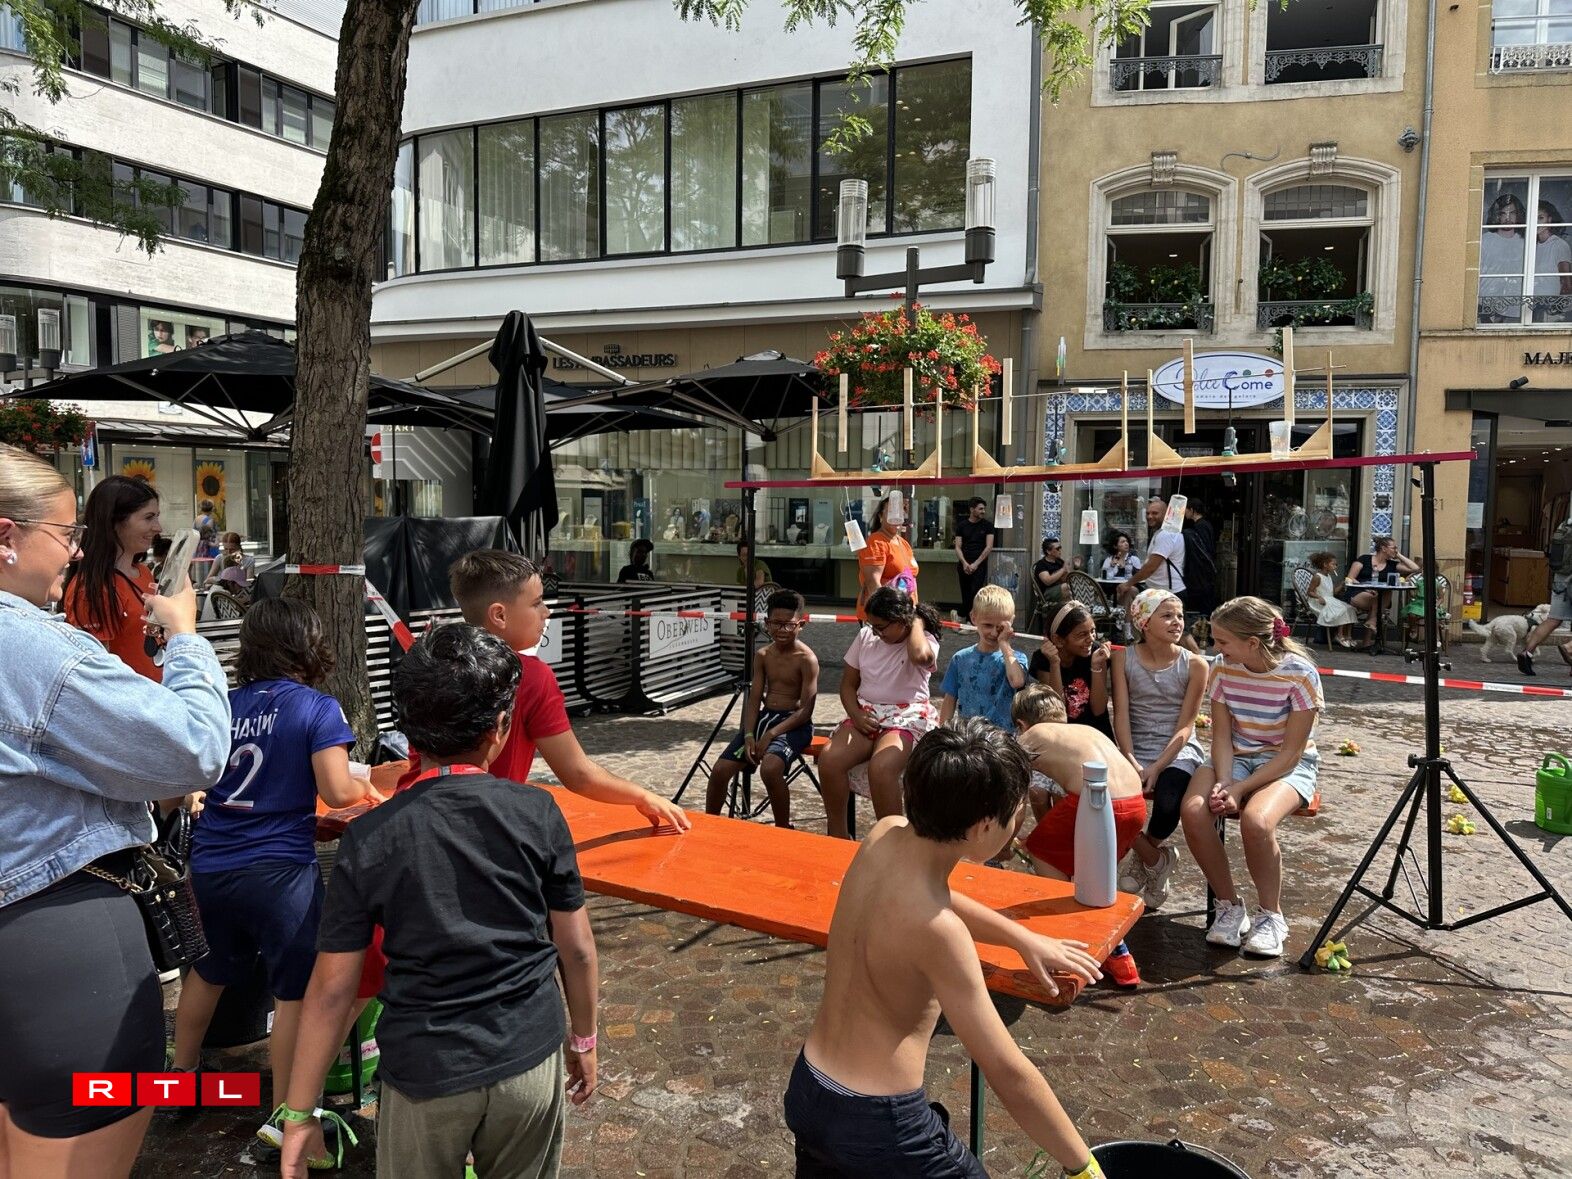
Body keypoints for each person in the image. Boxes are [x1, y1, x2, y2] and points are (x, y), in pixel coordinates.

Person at [280, 624, 601, 1179]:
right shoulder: (538, 812)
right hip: (528, 1054)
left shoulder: (371, 836)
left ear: (408, 733)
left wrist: (298, 1113)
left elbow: (332, 990)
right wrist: (584, 1038)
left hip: (425, 1070)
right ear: (501, 728)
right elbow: (576, 949)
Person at [0, 443, 229, 1179]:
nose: (73, 551)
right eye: (64, 534)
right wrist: (188, 639)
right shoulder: (30, 644)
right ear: (6, 536)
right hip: (57, 941)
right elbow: (193, 747)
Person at [783, 719, 1105, 1179]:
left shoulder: (884, 835)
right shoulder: (941, 935)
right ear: (984, 825)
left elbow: (934, 896)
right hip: (879, 1124)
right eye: (1016, 813)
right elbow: (1007, 1071)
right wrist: (1084, 1166)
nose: (1018, 824)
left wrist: (1021, 937)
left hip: (810, 1090)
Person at [171, 600, 370, 1154]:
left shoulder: (224, 705)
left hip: (211, 865)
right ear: (308, 644)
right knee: (294, 993)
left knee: (207, 973)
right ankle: (285, 1115)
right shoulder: (317, 707)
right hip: (282, 875)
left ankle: (180, 1078)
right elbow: (338, 790)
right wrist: (366, 788)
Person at [1181, 596, 1322, 958]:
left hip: (1285, 763)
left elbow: (1291, 754)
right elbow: (1221, 737)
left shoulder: (1301, 674)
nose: (1216, 648)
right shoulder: (1222, 668)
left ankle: (1271, 915)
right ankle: (1229, 907)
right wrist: (1225, 780)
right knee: (1194, 811)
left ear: (1253, 643)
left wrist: (1241, 787)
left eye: (1222, 641)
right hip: (1234, 757)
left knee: (1256, 822)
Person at [1013, 684, 1146, 988]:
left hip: (1097, 800)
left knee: (1041, 851)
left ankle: (1064, 936)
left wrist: (1007, 838)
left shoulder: (1031, 736)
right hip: (1135, 805)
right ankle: (1120, 955)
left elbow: (1013, 794)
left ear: (1021, 724)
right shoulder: (1085, 731)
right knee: (1095, 881)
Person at [1112, 589, 1208, 910]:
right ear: (1144, 622)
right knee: (1110, 800)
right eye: (1166, 615)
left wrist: (1156, 766)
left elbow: (1186, 725)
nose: (1177, 622)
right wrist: (1130, 758)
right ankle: (1157, 859)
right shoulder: (1123, 658)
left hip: (1177, 749)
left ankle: (1145, 858)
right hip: (1134, 745)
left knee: (1168, 803)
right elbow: (1121, 715)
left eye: (1180, 615)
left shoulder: (1195, 665)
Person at [818, 587, 940, 839]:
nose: (876, 632)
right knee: (829, 760)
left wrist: (917, 622)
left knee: (882, 768)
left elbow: (920, 656)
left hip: (907, 717)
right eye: (871, 625)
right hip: (867, 712)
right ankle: (838, 835)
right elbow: (847, 685)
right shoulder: (866, 636)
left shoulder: (923, 639)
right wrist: (855, 714)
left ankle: (892, 842)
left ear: (902, 621)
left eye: (881, 627)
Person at [706, 589, 819, 827]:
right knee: (720, 771)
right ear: (766, 623)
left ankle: (783, 828)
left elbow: (805, 711)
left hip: (793, 725)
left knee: (770, 769)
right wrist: (749, 734)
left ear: (801, 625)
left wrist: (771, 735)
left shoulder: (806, 659)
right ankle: (710, 824)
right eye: (776, 624)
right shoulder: (763, 655)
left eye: (789, 625)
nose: (782, 630)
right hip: (764, 720)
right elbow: (754, 698)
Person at [63, 474, 165, 681]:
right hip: (130, 698)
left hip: (158, 691)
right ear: (114, 521)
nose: (158, 527)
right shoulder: (93, 589)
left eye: (157, 517)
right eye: (148, 517)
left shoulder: (144, 572)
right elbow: (98, 673)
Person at [938, 584, 1027, 731]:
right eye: (988, 625)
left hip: (1003, 738)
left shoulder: (1016, 659)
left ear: (1011, 622)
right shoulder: (960, 659)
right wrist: (943, 732)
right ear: (973, 618)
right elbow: (949, 699)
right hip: (970, 736)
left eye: (1000, 627)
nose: (994, 633)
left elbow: (1017, 681)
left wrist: (1004, 644)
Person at [1029, 602, 1113, 738]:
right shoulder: (1044, 659)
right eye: (1082, 634)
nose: (1091, 639)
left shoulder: (1096, 653)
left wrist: (1096, 667)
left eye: (1093, 631)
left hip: (1096, 735)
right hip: (1064, 736)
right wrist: (1054, 663)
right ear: (1058, 640)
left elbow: (1099, 710)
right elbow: (1056, 712)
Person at [1118, 500, 1191, 649]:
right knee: (1154, 629)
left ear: (1166, 514)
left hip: (1170, 592)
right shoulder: (1161, 533)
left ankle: (1198, 659)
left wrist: (1128, 583)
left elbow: (1151, 567)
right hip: (1158, 592)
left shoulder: (1167, 535)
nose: (1150, 516)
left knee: (1179, 633)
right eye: (1148, 513)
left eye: (1155, 513)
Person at [855, 496, 919, 620]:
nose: (896, 516)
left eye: (900, 511)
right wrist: (887, 615)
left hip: (904, 613)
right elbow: (873, 583)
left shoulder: (903, 543)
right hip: (884, 616)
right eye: (891, 511)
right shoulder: (876, 542)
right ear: (880, 516)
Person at [1339, 535, 1418, 621]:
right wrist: (1366, 589)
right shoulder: (1364, 559)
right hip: (1359, 592)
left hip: (1380, 594)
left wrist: (1398, 555)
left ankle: (1371, 622)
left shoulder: (1392, 565)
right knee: (1378, 599)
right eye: (1394, 548)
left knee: (1385, 593)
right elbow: (1351, 577)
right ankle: (1372, 621)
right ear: (1384, 549)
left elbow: (1415, 568)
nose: (1396, 550)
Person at [1306, 552, 1360, 648]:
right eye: (1333, 564)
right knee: (1342, 609)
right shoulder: (1317, 577)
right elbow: (1309, 592)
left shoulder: (1328, 576)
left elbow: (1333, 592)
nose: (1335, 566)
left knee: (1350, 608)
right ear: (1325, 564)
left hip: (1329, 600)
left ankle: (1348, 636)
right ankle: (1339, 635)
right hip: (1319, 602)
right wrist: (1319, 597)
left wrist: (1342, 584)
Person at [953, 496, 995, 618]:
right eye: (980, 509)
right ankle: (966, 617)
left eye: (984, 509)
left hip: (979, 565)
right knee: (965, 593)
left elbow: (989, 547)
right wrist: (964, 563)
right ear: (972, 509)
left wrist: (976, 564)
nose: (983, 511)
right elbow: (958, 546)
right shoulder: (962, 526)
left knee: (975, 592)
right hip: (964, 564)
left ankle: (964, 617)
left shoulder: (988, 526)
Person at [1533, 200, 1572, 321]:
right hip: (1532, 306)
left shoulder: (1559, 245)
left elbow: (1566, 283)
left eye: (1540, 218)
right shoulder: (1531, 246)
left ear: (1549, 219)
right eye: (1534, 217)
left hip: (1550, 309)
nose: (1536, 222)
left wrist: (1556, 310)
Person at [1032, 536, 1069, 627]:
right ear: (1048, 551)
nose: (1060, 551)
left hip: (1060, 590)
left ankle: (1071, 613)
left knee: (1077, 586)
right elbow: (1047, 581)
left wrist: (1074, 568)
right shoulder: (1041, 564)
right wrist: (1063, 570)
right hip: (1047, 593)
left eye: (1060, 548)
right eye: (1057, 548)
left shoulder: (1059, 562)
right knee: (1067, 587)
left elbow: (1066, 579)